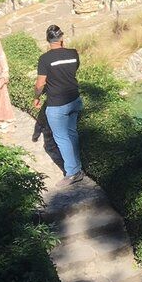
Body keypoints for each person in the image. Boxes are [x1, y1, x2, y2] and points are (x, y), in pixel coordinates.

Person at [32, 25, 83, 185]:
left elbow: (40, 84)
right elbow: (72, 71)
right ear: (62, 38)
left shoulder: (45, 59)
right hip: (74, 99)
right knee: (72, 134)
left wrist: (36, 97)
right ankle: (77, 167)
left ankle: (73, 173)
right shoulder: (73, 54)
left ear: (47, 40)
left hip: (57, 104)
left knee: (61, 138)